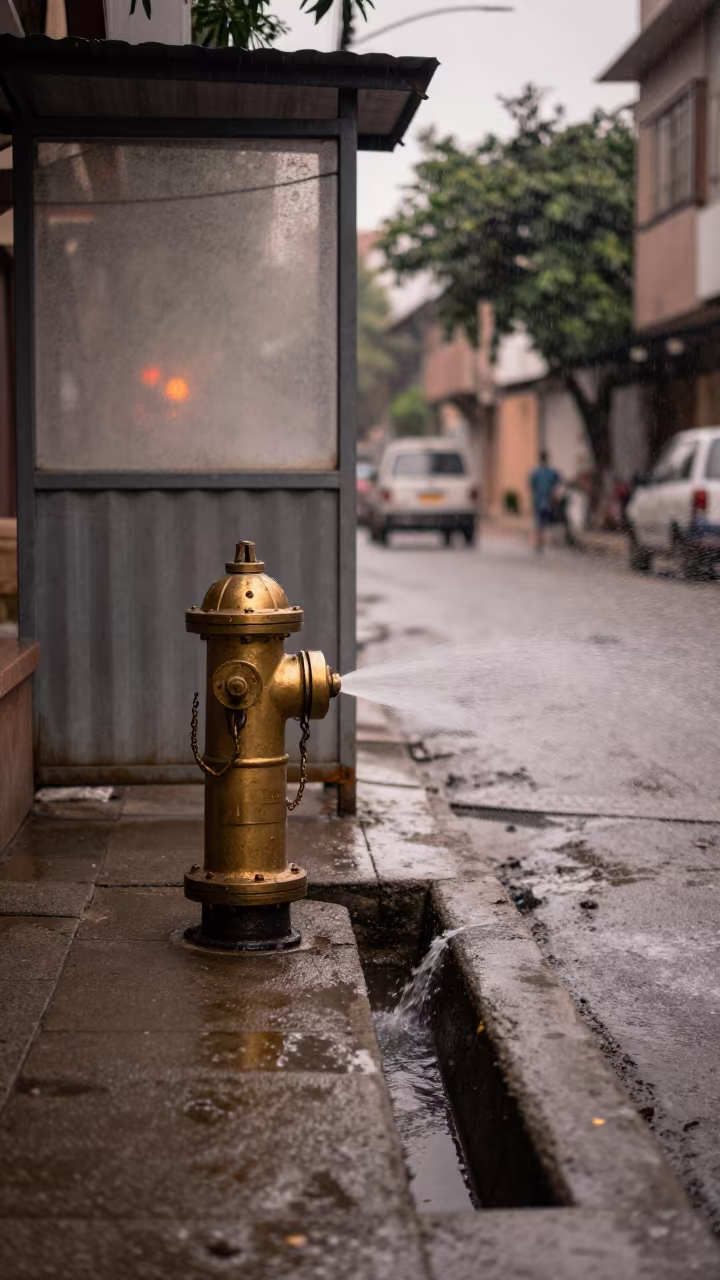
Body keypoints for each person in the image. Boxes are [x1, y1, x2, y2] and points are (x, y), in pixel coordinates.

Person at [529, 450, 562, 552]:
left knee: (541, 522)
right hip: (546, 501)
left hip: (541, 501)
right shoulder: (550, 472)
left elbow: (532, 486)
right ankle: (541, 542)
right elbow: (558, 484)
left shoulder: (537, 472)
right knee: (543, 521)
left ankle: (540, 541)